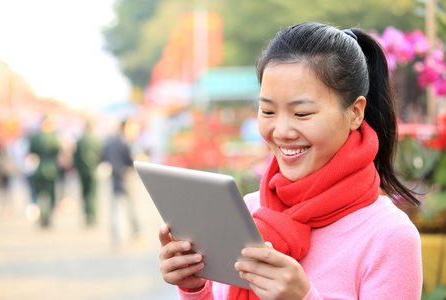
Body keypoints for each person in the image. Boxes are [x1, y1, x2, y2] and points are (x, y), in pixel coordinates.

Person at [158, 22, 423, 299]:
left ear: (355, 113)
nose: (282, 131)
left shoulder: (389, 235)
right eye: (268, 111)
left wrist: (303, 296)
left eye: (302, 113)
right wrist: (194, 288)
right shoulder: (248, 211)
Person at [101, 119, 140, 247]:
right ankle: (136, 232)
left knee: (116, 209)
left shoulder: (109, 142)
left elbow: (103, 157)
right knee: (131, 207)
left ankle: (116, 237)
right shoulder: (126, 142)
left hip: (115, 177)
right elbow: (131, 160)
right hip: (126, 176)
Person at [29, 116, 60, 227]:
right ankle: (48, 217)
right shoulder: (54, 136)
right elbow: (57, 150)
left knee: (39, 193)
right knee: (51, 194)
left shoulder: (36, 136)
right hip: (51, 168)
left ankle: (42, 215)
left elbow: (31, 151)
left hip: (39, 168)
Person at [73, 121, 102, 226]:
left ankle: (86, 214)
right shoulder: (97, 140)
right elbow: (101, 155)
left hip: (83, 171)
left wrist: (79, 167)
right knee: (93, 194)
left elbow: (75, 157)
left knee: (85, 193)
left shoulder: (80, 141)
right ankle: (93, 215)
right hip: (93, 170)